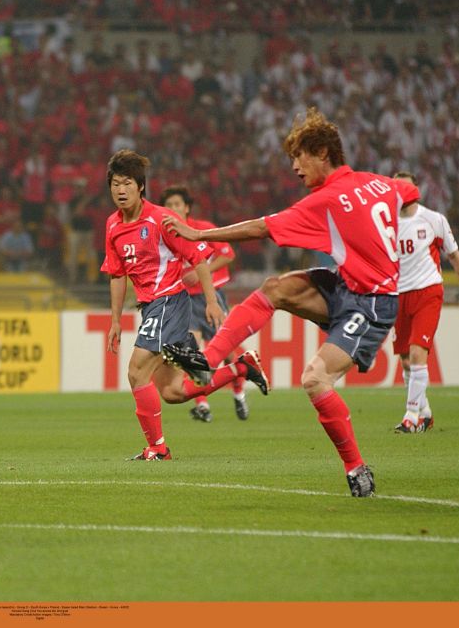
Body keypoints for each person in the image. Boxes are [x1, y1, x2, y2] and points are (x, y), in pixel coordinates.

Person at [161, 107, 420, 497]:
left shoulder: (328, 198)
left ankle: (356, 469)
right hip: (346, 285)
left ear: (323, 154)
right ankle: (208, 361)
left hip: (372, 302)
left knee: (315, 380)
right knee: (273, 288)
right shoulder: (381, 183)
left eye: (300, 156)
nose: (295, 167)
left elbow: (261, 228)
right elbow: (410, 193)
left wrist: (201, 235)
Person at [101, 150, 268, 462]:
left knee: (136, 371)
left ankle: (158, 449)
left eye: (126, 183)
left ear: (140, 186)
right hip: (150, 307)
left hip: (169, 302)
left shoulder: (162, 219)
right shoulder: (112, 226)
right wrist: (114, 321)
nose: (120, 190)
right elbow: (116, 274)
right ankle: (241, 368)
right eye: (114, 184)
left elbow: (198, 259)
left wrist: (210, 302)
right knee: (173, 392)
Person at [391, 171, 459, 433]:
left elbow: (454, 257)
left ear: (417, 189)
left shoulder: (434, 220)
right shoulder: (387, 224)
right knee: (405, 358)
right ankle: (426, 413)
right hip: (399, 296)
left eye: (407, 187)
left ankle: (410, 417)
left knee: (417, 353)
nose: (403, 192)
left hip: (428, 292)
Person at [160, 186, 247, 423]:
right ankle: (203, 405)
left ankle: (239, 394)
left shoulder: (203, 229)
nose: (173, 209)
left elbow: (228, 255)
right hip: (185, 301)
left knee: (227, 353)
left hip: (211, 298)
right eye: (169, 205)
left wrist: (201, 272)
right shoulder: (164, 234)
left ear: (187, 208)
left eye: (177, 204)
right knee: (191, 353)